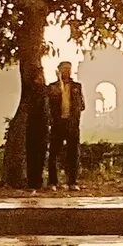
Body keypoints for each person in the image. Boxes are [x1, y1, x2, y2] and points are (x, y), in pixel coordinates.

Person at [44, 60, 85, 190]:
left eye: (68, 69)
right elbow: (48, 105)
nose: (66, 72)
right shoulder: (52, 87)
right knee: (53, 154)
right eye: (64, 70)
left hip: (72, 124)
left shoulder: (77, 87)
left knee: (73, 154)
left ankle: (72, 182)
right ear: (59, 71)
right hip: (57, 124)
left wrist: (75, 116)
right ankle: (53, 182)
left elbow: (82, 105)